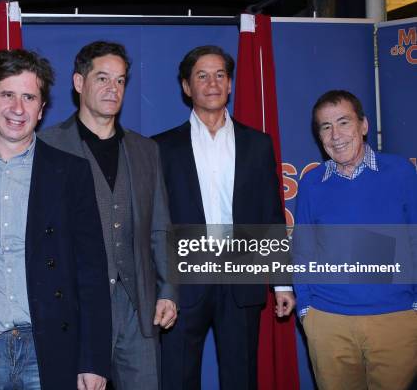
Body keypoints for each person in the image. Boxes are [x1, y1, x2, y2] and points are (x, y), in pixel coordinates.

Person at [0, 41, 178, 390]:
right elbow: (6, 144)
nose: (113, 88)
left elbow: (160, 226)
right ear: (78, 83)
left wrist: (168, 289)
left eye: (120, 81)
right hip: (70, 310)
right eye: (103, 78)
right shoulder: (47, 143)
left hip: (138, 309)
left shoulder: (146, 149)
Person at [0, 49, 111, 390]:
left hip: (48, 348)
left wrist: (93, 360)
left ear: (42, 109)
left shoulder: (70, 173)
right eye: (7, 95)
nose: (18, 109)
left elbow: (91, 271)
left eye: (29, 97)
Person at [152, 45, 295, 390]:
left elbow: (270, 212)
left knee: (241, 377)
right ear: (187, 87)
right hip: (185, 282)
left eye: (220, 75)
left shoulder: (258, 144)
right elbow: (156, 221)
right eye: (202, 75)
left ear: (230, 84)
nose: (212, 83)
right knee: (177, 378)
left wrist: (281, 281)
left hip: (242, 279)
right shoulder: (160, 147)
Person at [294, 89, 417, 390]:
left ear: (363, 125)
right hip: (328, 322)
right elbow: (303, 249)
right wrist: (307, 309)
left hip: (396, 318)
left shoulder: (401, 171)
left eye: (344, 122)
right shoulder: (311, 182)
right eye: (326, 126)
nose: (336, 135)